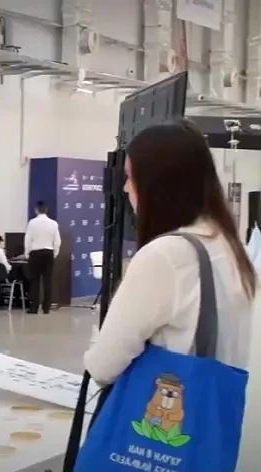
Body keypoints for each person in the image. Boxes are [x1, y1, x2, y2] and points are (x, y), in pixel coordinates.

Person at [84, 121, 256, 386]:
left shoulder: (165, 256)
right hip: (218, 402)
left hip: (170, 406)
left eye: (131, 177)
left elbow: (103, 366)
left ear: (157, 185)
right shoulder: (231, 245)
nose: (125, 188)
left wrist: (94, 348)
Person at [24, 201, 60, 314]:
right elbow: (57, 241)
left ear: (36, 210)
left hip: (35, 253)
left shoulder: (32, 223)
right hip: (48, 253)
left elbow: (28, 239)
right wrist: (54, 253)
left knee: (35, 281)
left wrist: (27, 253)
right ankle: (46, 307)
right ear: (46, 210)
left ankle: (34, 308)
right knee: (48, 281)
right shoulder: (54, 223)